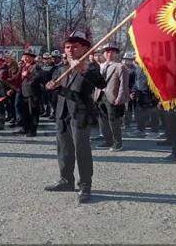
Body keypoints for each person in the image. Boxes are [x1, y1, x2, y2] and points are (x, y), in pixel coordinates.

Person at [44, 31, 106, 204]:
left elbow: (102, 84)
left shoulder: (90, 66)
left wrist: (84, 70)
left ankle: (85, 184)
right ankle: (66, 180)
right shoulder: (62, 68)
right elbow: (62, 89)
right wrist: (52, 86)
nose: (70, 50)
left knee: (81, 150)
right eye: (67, 47)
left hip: (80, 115)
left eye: (74, 47)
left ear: (84, 48)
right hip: (62, 113)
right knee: (63, 149)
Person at [93, 43, 129, 151]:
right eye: (107, 52)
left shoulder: (120, 67)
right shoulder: (101, 66)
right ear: (103, 54)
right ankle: (107, 140)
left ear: (116, 54)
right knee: (103, 121)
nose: (109, 54)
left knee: (114, 121)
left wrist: (120, 98)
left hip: (113, 96)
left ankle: (118, 143)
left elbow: (123, 84)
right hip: (100, 95)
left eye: (112, 52)